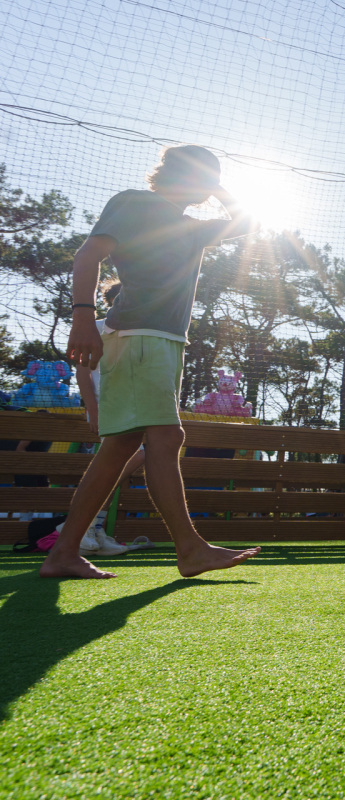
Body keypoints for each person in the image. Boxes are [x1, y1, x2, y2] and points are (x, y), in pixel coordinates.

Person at [40, 145, 262, 580]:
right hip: (142, 338)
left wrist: (215, 185)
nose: (208, 187)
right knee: (166, 435)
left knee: (120, 446)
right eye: (204, 176)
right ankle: (191, 548)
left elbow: (249, 222)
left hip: (157, 341)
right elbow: (88, 255)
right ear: (180, 175)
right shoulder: (135, 202)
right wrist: (83, 316)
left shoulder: (191, 228)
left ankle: (64, 551)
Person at [75, 282, 147, 556]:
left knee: (124, 463)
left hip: (132, 408)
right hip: (106, 407)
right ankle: (82, 527)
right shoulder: (96, 327)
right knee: (131, 458)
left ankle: (93, 527)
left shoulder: (140, 333)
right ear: (112, 301)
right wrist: (92, 409)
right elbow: (83, 372)